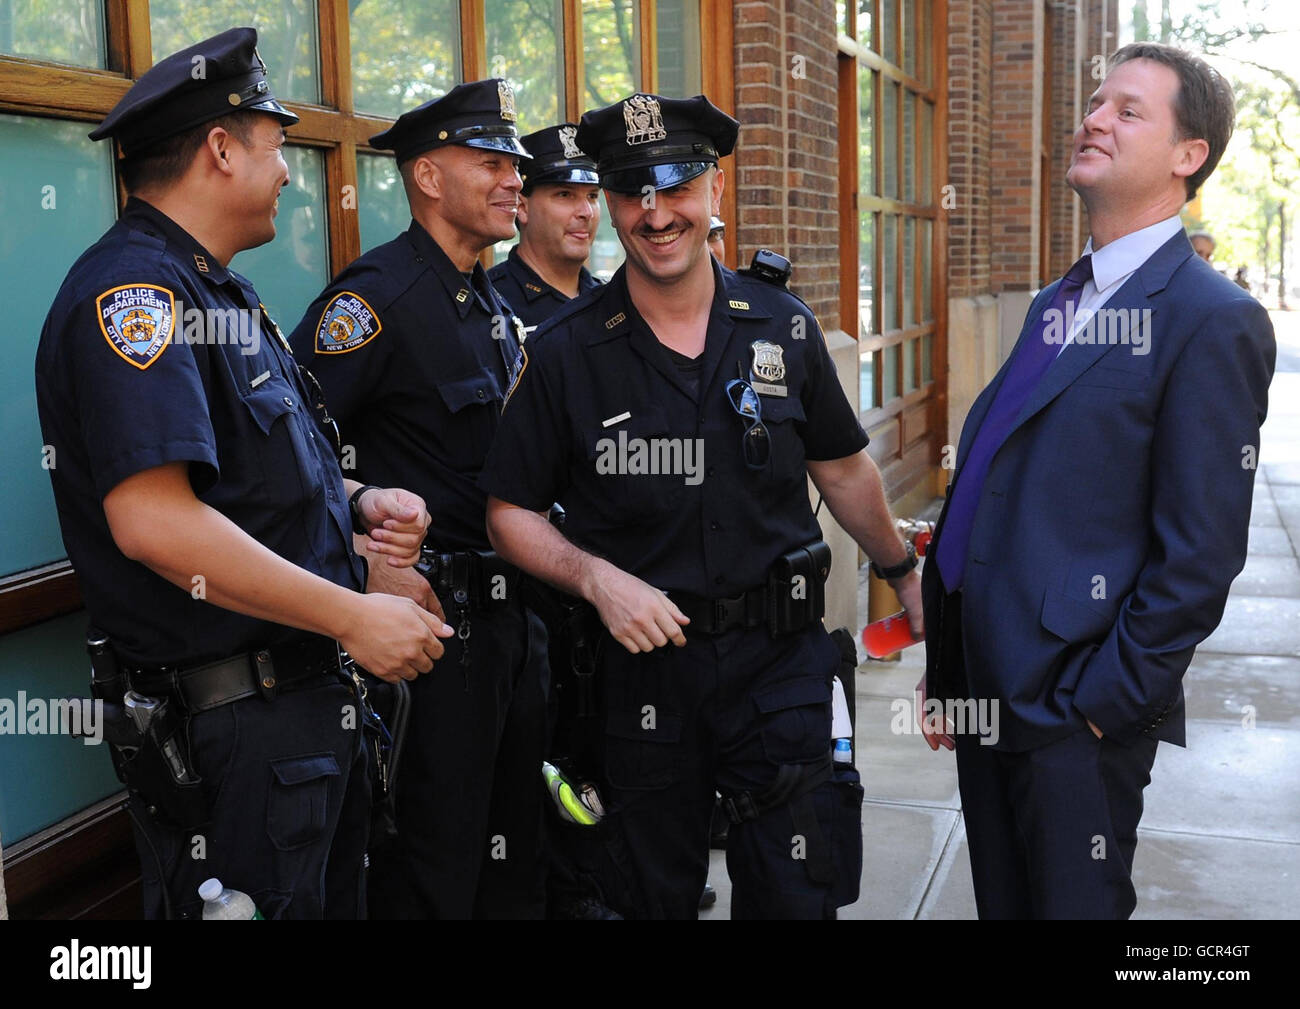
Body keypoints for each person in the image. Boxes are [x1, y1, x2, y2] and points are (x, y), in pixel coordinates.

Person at [34, 27, 451, 921]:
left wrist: (360, 505)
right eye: (276, 144)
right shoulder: (135, 298)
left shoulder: (217, 291)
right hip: (233, 732)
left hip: (296, 714)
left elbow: (263, 479)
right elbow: (154, 521)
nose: (295, 171)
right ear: (220, 149)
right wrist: (353, 614)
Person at [481, 93, 923, 919]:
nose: (656, 214)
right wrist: (598, 580)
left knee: (798, 894)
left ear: (714, 190)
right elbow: (509, 512)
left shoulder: (783, 329)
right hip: (643, 676)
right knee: (648, 900)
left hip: (781, 666)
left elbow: (843, 469)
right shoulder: (567, 353)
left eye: (677, 186)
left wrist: (903, 571)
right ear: (612, 202)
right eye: (632, 191)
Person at [921, 43, 1276, 919]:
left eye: (1127, 110)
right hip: (985, 686)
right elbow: (1006, 477)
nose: (1092, 119)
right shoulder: (1057, 301)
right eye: (1094, 102)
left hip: (1076, 712)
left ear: (1188, 156)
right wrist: (948, 658)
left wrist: (1101, 704)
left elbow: (1199, 558)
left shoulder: (1210, 320)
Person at [289, 79, 549, 920]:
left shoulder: (487, 295)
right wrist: (361, 558)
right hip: (433, 640)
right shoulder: (375, 302)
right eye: (492, 163)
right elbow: (290, 454)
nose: (515, 178)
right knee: (435, 871)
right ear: (429, 178)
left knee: (515, 861)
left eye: (515, 163)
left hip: (515, 625)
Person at [488, 123, 602, 334]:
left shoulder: (613, 299)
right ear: (522, 207)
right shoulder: (489, 303)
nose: (587, 212)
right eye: (565, 195)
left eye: (593, 196)